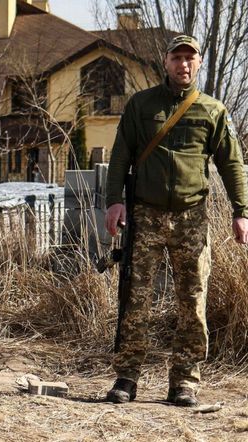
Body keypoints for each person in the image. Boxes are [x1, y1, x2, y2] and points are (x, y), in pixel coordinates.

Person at [104, 34, 248, 407]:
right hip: (145, 214)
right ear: (165, 62)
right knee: (135, 298)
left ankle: (184, 382)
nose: (183, 64)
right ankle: (127, 377)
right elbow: (121, 154)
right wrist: (114, 202)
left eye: (190, 58)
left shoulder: (212, 111)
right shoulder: (141, 105)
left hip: (191, 218)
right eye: (176, 57)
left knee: (192, 299)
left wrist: (241, 211)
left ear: (199, 63)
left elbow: (232, 165)